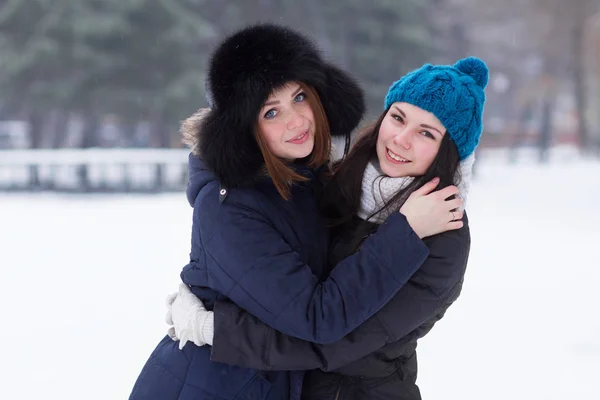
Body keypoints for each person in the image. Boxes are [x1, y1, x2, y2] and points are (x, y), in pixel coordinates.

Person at [129, 24, 462, 400]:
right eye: (271, 112)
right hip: (216, 385)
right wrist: (404, 233)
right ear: (243, 128)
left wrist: (215, 327)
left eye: (299, 97)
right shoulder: (230, 207)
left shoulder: (314, 177)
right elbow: (317, 317)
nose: (296, 121)